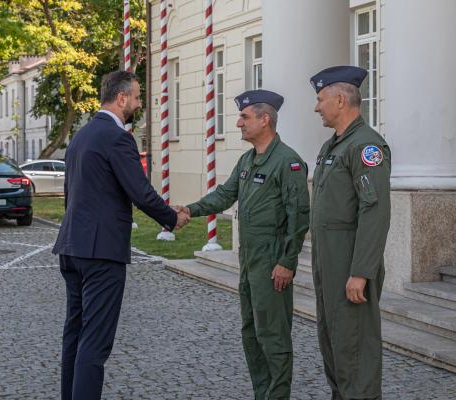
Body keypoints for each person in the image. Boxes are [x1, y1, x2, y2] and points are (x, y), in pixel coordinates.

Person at [52, 70, 190, 400]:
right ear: (122, 98)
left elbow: (72, 194)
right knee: (95, 342)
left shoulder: (81, 136)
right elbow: (140, 191)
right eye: (138, 96)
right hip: (101, 252)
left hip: (72, 247)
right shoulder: (117, 138)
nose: (141, 103)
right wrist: (172, 217)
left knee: (75, 334)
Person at [178, 89, 310, 400]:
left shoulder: (288, 162)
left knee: (273, 335)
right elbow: (224, 194)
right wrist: (189, 210)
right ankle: (262, 393)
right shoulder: (248, 160)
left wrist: (287, 262)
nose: (238, 123)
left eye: (244, 117)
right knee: (251, 333)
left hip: (272, 262)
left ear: (265, 120)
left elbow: (299, 217)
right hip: (250, 261)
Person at [308, 66, 391, 400]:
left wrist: (361, 272)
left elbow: (374, 211)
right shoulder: (334, 146)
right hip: (329, 264)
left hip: (350, 266)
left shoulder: (366, 146)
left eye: (320, 99)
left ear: (340, 99)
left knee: (354, 351)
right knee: (335, 346)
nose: (316, 107)